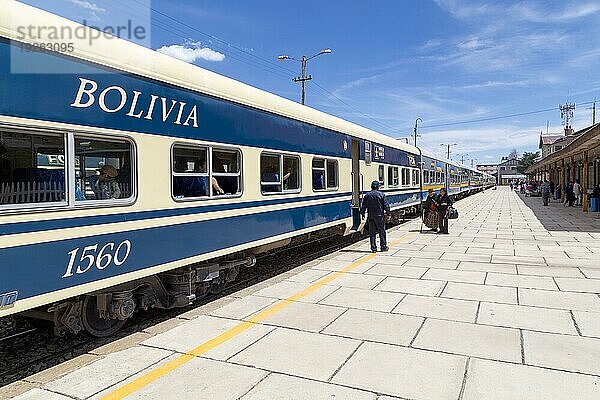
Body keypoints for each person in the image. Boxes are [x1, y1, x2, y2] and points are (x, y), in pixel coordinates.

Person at [360, 180, 390, 252]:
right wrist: (388, 213)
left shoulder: (367, 195)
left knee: (372, 233)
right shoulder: (381, 194)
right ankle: (383, 247)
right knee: (381, 231)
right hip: (380, 216)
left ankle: (373, 248)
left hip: (371, 216)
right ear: (378, 187)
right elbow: (386, 205)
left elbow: (364, 205)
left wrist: (362, 213)